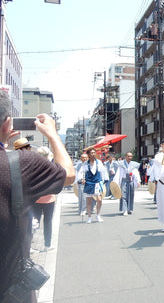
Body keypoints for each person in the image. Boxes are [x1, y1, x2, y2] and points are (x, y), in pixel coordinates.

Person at [0, 90, 75, 303]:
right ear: (7, 124)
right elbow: (68, 174)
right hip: (11, 292)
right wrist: (52, 134)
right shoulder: (22, 163)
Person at [32, 147, 57, 252]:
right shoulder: (51, 167)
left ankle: (29, 244)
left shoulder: (33, 167)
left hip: (36, 199)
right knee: (47, 222)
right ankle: (47, 244)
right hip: (49, 199)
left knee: (33, 222)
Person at [78, 148, 108, 224]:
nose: (93, 154)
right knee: (89, 201)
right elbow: (81, 173)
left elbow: (103, 171)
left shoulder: (99, 162)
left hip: (97, 182)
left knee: (99, 199)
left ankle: (98, 214)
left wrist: (104, 180)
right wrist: (81, 179)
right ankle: (89, 217)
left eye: (94, 152)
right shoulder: (85, 164)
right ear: (88, 154)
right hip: (89, 182)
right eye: (91, 153)